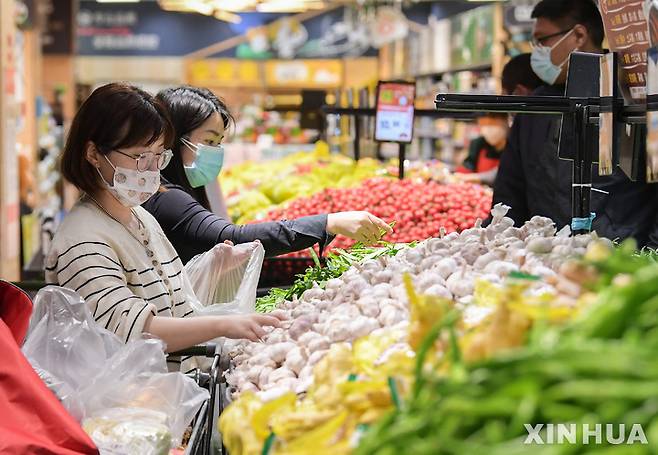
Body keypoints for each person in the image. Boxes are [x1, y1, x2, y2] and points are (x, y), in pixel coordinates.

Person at [45, 83, 284, 373]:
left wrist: (211, 268)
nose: (151, 169)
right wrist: (224, 324)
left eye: (159, 155)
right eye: (139, 156)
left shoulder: (140, 218)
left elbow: (165, 300)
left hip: (168, 395)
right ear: (94, 153)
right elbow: (129, 328)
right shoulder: (82, 240)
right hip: (126, 407)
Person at [142, 86, 392, 264]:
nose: (215, 152)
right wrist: (327, 223)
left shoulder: (177, 189)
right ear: (174, 139)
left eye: (218, 142)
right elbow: (233, 238)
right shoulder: (167, 198)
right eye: (208, 141)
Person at [492, 0, 658, 247]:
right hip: (544, 259)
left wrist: (650, 255)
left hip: (620, 260)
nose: (537, 50)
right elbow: (510, 192)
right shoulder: (534, 107)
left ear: (579, 35)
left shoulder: (633, 96)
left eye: (542, 39)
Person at [455, 114, 509, 185]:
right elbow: (468, 166)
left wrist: (476, 177)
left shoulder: (514, 145)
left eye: (492, 123)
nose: (488, 129)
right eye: (483, 124)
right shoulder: (478, 143)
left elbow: (505, 172)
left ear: (505, 122)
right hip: (479, 191)